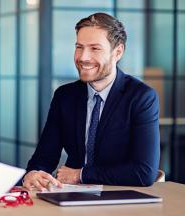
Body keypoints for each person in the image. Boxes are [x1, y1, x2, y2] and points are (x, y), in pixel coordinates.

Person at [23, 12, 160, 189]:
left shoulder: (141, 97)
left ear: (118, 52)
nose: (83, 57)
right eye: (79, 47)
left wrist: (80, 175)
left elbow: (144, 172)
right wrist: (33, 174)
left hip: (123, 199)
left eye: (95, 48)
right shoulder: (64, 96)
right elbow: (44, 158)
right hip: (72, 197)